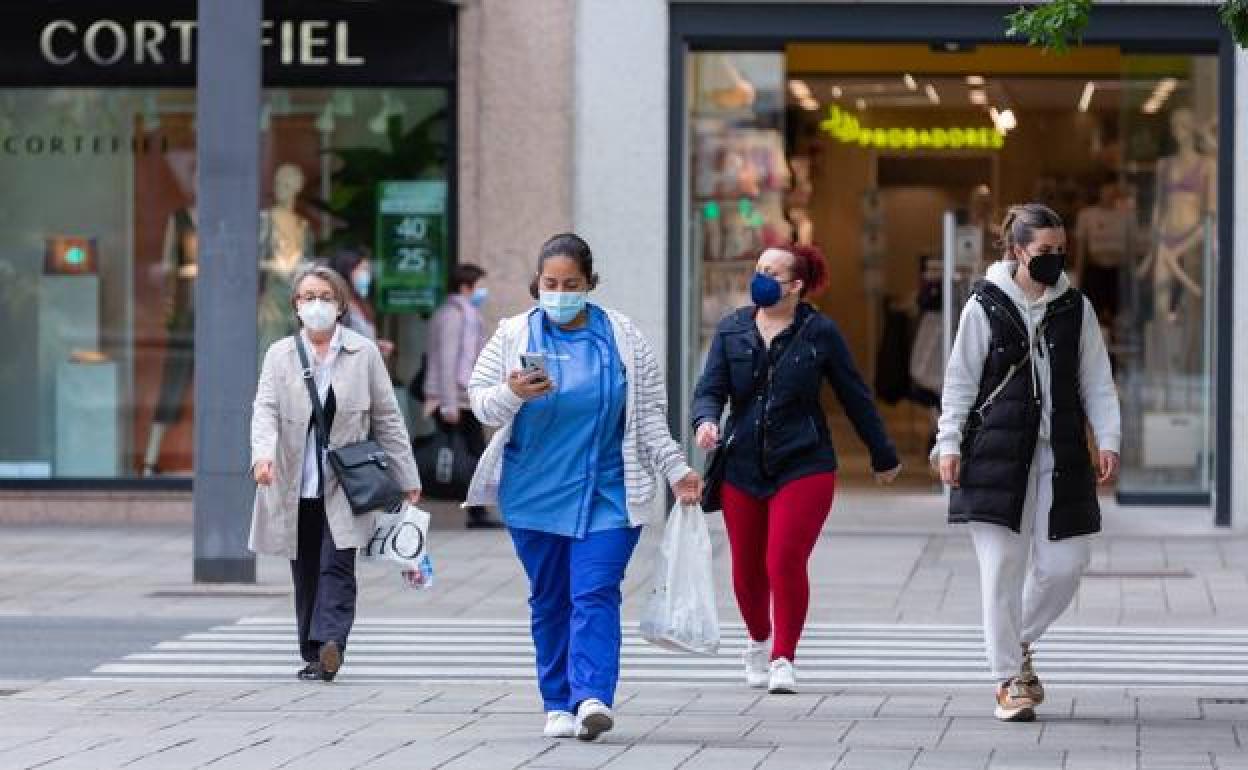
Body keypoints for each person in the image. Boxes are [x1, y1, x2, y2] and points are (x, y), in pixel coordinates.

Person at [464, 233, 702, 741]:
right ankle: (557, 701)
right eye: (550, 283)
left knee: (595, 591)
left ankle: (592, 696)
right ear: (537, 283)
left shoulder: (623, 338)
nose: (559, 292)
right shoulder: (512, 334)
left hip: (609, 493)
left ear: (590, 284)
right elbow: (480, 403)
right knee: (550, 598)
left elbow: (649, 417)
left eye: (571, 284)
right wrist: (511, 392)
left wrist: (677, 470)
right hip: (534, 495)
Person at [934, 203, 1120, 723]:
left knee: (1067, 564)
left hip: (1059, 454)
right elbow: (960, 382)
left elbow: (1096, 380)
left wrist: (1109, 438)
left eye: (1061, 250)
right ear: (1017, 250)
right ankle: (1007, 680)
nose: (1054, 259)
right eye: (1044, 251)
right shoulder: (984, 306)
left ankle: (1017, 645)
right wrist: (948, 444)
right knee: (1002, 570)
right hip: (994, 454)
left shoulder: (1074, 308)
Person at [692, 244, 901, 695]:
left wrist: (882, 454)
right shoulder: (732, 330)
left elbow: (854, 394)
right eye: (758, 269)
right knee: (746, 572)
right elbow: (710, 388)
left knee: (783, 560)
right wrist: (705, 421)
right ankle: (757, 639)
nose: (761, 277)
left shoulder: (819, 332)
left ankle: (783, 656)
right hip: (741, 463)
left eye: (772, 271)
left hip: (804, 461)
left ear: (796, 285)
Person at [249, 264, 421, 682]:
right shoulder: (280, 354)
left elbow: (388, 418)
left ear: (341, 305)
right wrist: (262, 456)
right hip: (294, 480)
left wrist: (408, 475)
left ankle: (331, 643)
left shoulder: (364, 354)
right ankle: (313, 653)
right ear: (296, 306)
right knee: (305, 567)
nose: (316, 306)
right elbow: (265, 410)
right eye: (307, 298)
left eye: (325, 297)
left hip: (346, 481)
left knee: (337, 563)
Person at [424, 263, 499, 529]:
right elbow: (446, 361)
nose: (483, 292)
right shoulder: (455, 316)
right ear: (465, 287)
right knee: (473, 454)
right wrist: (448, 404)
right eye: (479, 286)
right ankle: (476, 511)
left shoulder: (465, 314)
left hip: (462, 397)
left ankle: (477, 511)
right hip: (454, 398)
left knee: (473, 454)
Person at [327, 248, 395, 358]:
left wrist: (376, 346)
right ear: (346, 272)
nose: (367, 275)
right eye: (363, 270)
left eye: (368, 270)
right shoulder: (337, 309)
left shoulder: (360, 304)